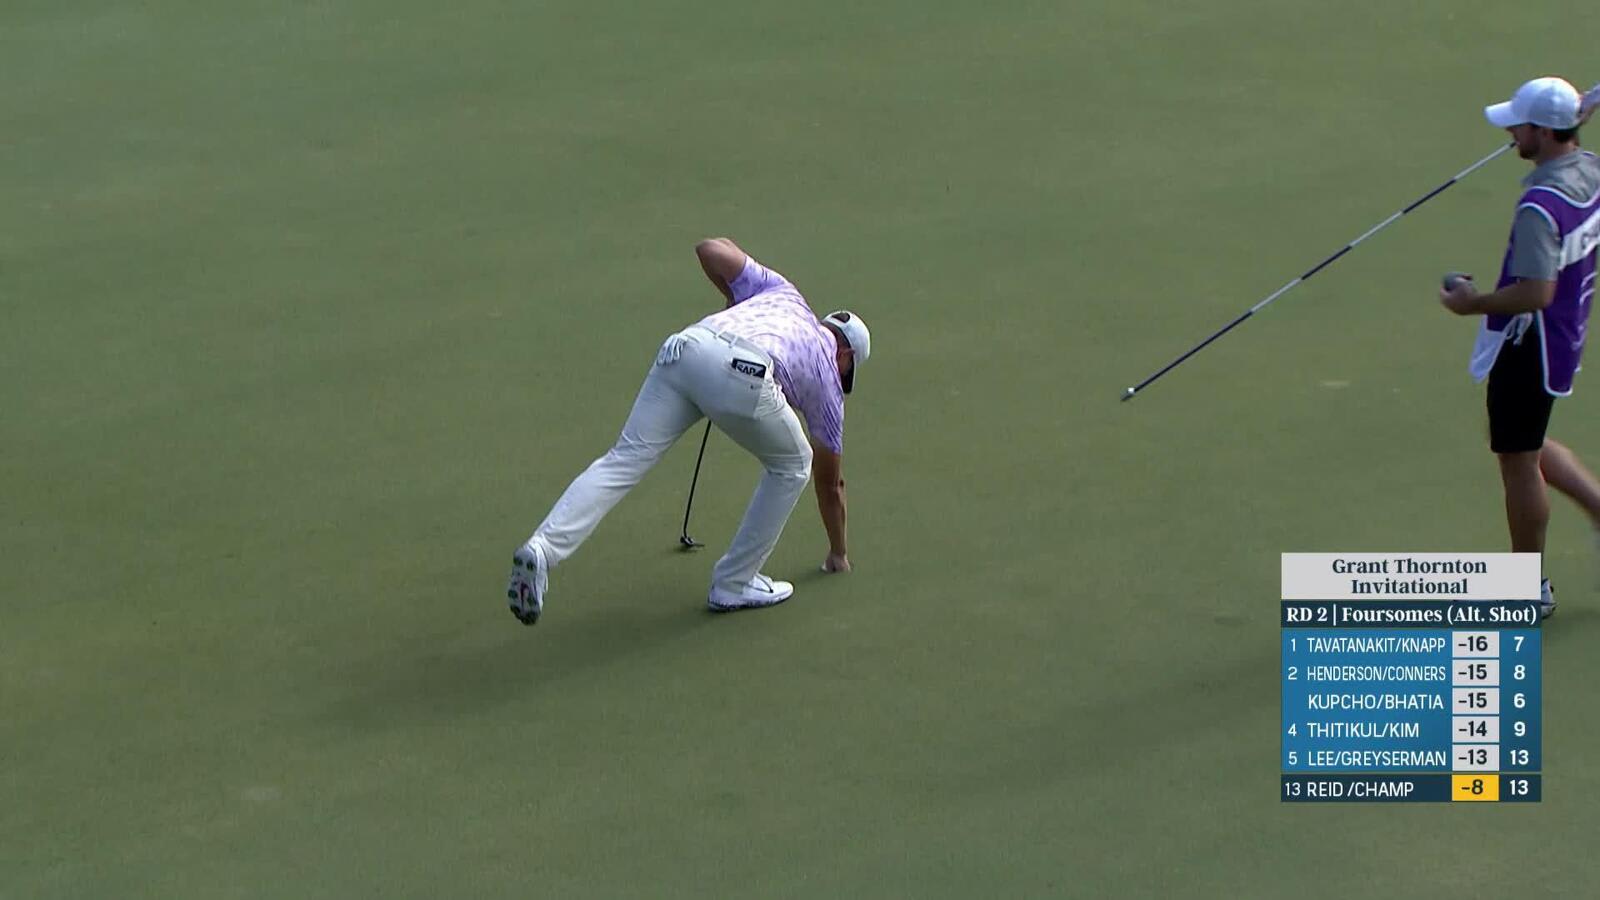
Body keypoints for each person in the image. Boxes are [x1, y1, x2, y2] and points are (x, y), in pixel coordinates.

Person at [505, 237, 871, 624]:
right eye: (848, 370)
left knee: (623, 460)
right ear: (845, 355)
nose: (842, 377)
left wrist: (733, 299)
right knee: (795, 464)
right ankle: (734, 582)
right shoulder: (830, 380)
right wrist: (838, 554)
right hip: (741, 372)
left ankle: (542, 549)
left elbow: (710, 249)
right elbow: (831, 485)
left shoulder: (784, 293)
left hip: (685, 347)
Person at [1440, 76, 1600, 618]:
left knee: (1517, 460)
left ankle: (1527, 586)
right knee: (1518, 442)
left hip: (1530, 344)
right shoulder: (1590, 171)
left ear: (1545, 132)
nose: (1511, 133)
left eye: (1519, 126)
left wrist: (1471, 303)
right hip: (1564, 333)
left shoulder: (1539, 205)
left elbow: (1535, 292)